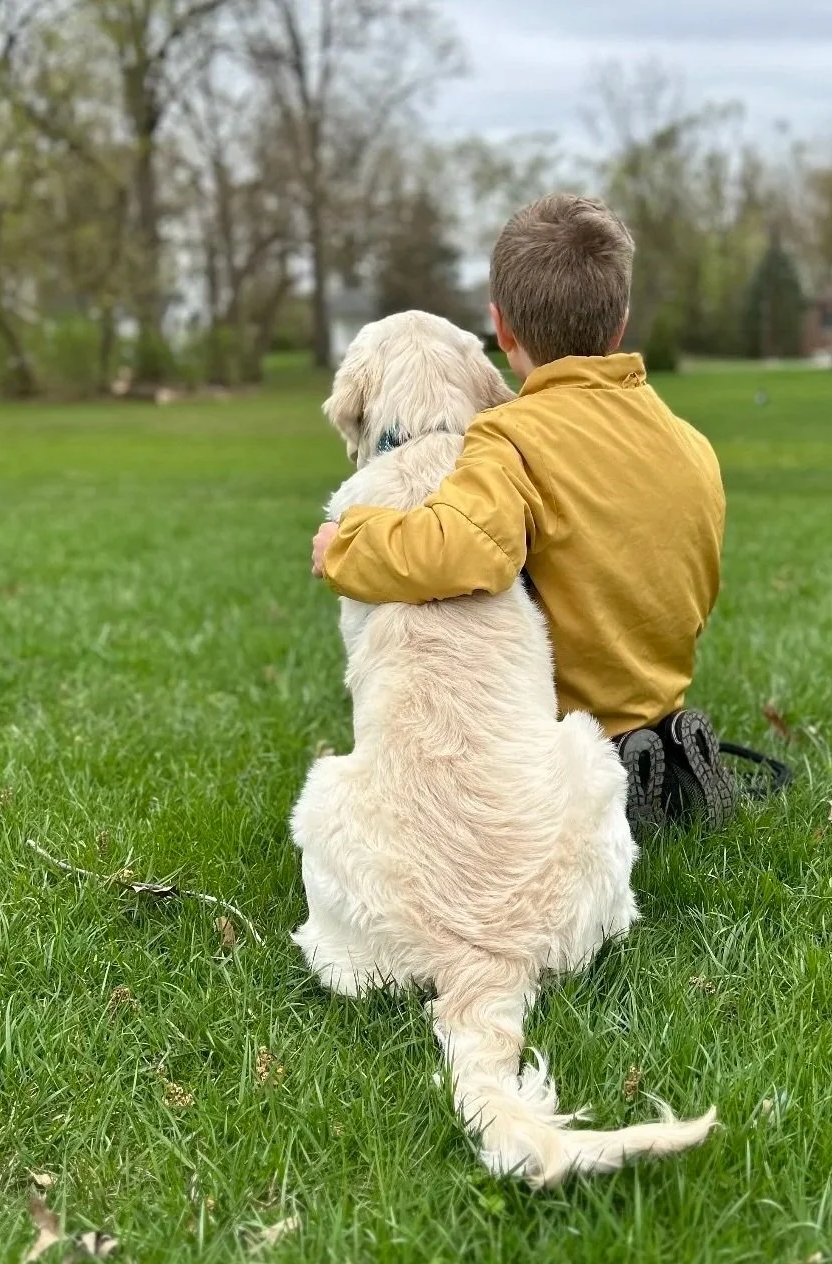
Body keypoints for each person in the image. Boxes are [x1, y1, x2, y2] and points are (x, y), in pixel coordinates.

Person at [310, 193, 732, 829]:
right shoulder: (692, 444)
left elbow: (459, 548)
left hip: (561, 713)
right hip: (662, 677)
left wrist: (347, 545)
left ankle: (610, 764)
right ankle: (665, 748)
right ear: (619, 323)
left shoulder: (511, 438)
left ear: (502, 329)